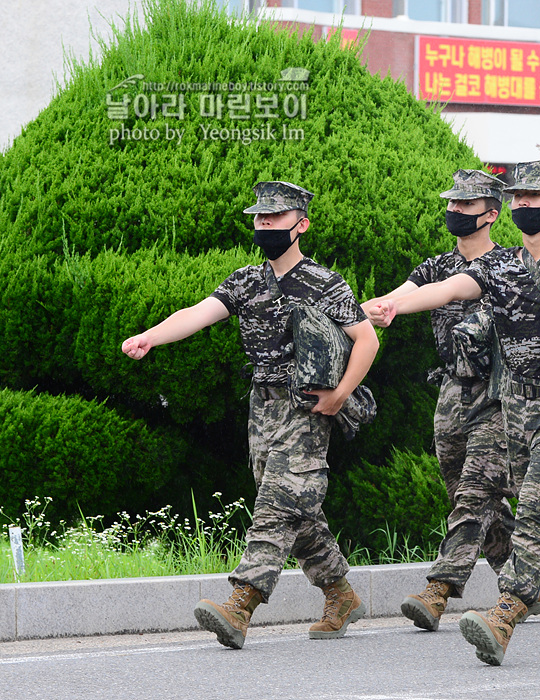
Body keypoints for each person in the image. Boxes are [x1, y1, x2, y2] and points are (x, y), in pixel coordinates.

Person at [369, 161, 540, 665]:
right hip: (513, 408)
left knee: (538, 509)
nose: (523, 205)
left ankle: (505, 612)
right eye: (517, 197)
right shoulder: (498, 266)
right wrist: (394, 306)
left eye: (533, 197)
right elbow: (449, 289)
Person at [121, 181, 380, 649]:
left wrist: (341, 394)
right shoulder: (246, 280)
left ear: (300, 225)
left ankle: (241, 602)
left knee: (278, 502)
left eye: (274, 218)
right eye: (259, 218)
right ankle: (340, 593)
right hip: (262, 405)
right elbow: (198, 312)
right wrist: (151, 337)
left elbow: (367, 340)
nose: (264, 225)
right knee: (293, 503)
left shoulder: (324, 283)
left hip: (308, 404)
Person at [361, 169, 540, 631]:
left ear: (490, 214)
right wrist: (373, 308)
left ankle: (439, 589)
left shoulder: (511, 265)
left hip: (502, 395)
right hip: (452, 390)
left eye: (466, 206)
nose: (455, 212)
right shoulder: (433, 267)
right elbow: (405, 295)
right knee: (464, 492)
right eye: (452, 204)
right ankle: (525, 583)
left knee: (474, 491)